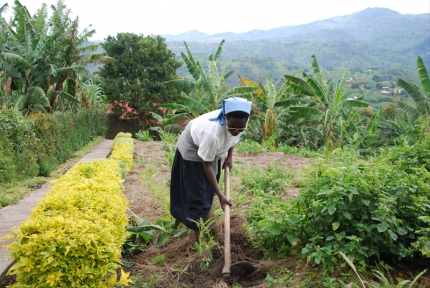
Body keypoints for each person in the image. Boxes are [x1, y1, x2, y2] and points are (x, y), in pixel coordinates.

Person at [170, 97, 252, 241]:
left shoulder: (241, 121)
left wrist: (229, 157)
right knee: (198, 195)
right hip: (193, 147)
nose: (236, 131)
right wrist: (221, 195)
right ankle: (199, 241)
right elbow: (207, 164)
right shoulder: (212, 133)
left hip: (211, 147)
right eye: (232, 127)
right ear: (225, 118)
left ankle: (204, 218)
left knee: (208, 188)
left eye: (240, 128)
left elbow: (233, 137)